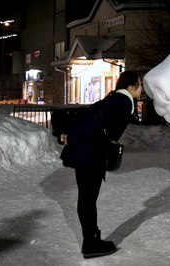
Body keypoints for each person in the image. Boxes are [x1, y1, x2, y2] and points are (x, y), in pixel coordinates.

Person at [60, 71, 141, 259]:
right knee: (88, 199)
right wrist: (72, 137)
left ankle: (91, 239)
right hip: (91, 153)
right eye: (139, 84)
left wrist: (70, 133)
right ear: (130, 87)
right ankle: (91, 242)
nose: (141, 88)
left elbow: (90, 113)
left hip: (86, 152)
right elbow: (98, 122)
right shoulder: (123, 101)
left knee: (86, 198)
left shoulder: (113, 98)